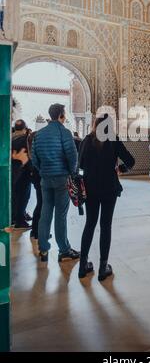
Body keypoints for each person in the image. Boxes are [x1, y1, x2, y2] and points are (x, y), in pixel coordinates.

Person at [78, 115, 135, 281]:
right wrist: (120, 169)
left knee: (90, 224)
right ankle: (103, 268)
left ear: (95, 125)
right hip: (109, 188)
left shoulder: (86, 141)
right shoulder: (113, 140)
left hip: (90, 189)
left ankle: (83, 266)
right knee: (105, 225)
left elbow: (79, 166)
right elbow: (131, 161)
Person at [32, 103, 79, 263]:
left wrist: (43, 171)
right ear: (60, 115)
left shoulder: (39, 134)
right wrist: (72, 173)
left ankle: (43, 249)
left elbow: (35, 159)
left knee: (45, 213)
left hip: (45, 179)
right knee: (61, 215)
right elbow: (72, 156)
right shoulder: (64, 133)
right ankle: (64, 250)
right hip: (61, 178)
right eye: (64, 114)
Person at [11, 121, 32, 230]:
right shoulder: (25, 139)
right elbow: (29, 155)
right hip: (23, 172)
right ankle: (20, 221)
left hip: (13, 172)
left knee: (15, 197)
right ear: (25, 128)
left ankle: (16, 217)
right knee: (23, 197)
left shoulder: (10, 138)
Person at [28, 131, 42, 240]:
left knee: (40, 204)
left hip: (36, 178)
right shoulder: (36, 153)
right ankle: (37, 231)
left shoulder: (32, 153)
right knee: (41, 205)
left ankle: (35, 230)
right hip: (39, 178)